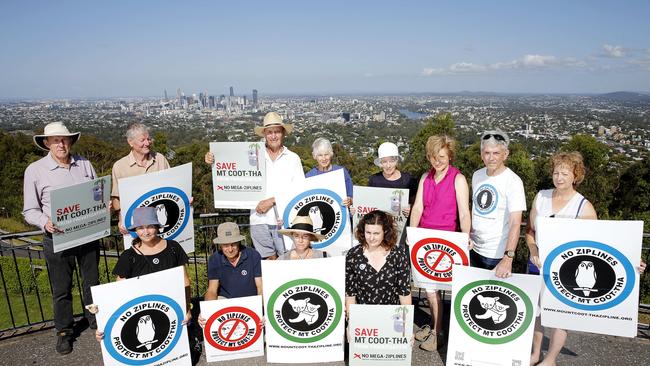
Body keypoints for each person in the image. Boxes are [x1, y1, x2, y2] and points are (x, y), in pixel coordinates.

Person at [23, 122, 101, 355]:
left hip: (87, 235)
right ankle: (64, 332)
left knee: (92, 283)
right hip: (56, 239)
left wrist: (102, 203)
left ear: (71, 141)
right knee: (61, 289)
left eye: (64, 139)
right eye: (55, 140)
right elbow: (29, 210)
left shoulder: (85, 164)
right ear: (46, 143)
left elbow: (96, 192)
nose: (61, 143)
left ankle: (95, 320)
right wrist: (44, 222)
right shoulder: (35, 170)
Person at [526, 152, 596, 366]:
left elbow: (601, 243)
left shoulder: (583, 207)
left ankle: (551, 359)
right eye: (556, 172)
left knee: (561, 315)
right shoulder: (542, 197)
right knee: (535, 312)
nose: (559, 177)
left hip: (566, 271)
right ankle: (535, 353)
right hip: (537, 265)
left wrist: (633, 262)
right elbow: (530, 231)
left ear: (576, 176)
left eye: (565, 173)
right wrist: (533, 251)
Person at [206, 112, 305, 259]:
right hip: (258, 219)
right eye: (269, 132)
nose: (273, 136)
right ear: (264, 134)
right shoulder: (251, 155)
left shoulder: (293, 159)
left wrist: (271, 201)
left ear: (283, 133)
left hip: (284, 220)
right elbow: (229, 166)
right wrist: (213, 159)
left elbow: (299, 190)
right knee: (268, 263)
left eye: (277, 131)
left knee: (289, 261)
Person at [410, 134, 471, 351]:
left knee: (437, 290)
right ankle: (435, 327)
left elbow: (464, 212)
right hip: (423, 240)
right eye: (434, 157)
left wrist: (466, 237)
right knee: (428, 290)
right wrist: (412, 233)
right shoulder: (425, 178)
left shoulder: (459, 179)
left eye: (442, 157)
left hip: (446, 243)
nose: (438, 161)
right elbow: (418, 207)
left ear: (450, 156)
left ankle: (438, 333)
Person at [94, 207, 192, 340]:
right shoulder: (128, 256)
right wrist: (105, 325)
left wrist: (187, 309)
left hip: (173, 311)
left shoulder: (174, 248)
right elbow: (118, 291)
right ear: (135, 230)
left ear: (157, 227)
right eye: (140, 228)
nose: (145, 232)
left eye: (150, 226)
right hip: (143, 314)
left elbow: (185, 282)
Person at [470, 130, 526, 278]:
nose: (491, 158)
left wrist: (508, 258)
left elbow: (515, 223)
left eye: (496, 153)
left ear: (505, 154)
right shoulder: (477, 175)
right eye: (487, 153)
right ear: (482, 155)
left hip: (496, 254)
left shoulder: (513, 181)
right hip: (473, 249)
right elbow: (474, 209)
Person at [198, 222, 263, 329]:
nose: (230, 249)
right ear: (220, 245)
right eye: (225, 245)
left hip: (251, 301)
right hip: (226, 301)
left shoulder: (253, 255)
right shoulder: (215, 259)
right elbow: (212, 290)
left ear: (239, 242)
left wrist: (260, 309)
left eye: (233, 244)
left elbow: (260, 287)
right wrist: (206, 310)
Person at [111, 122, 170, 234]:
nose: (147, 143)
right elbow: (116, 198)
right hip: (136, 225)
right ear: (130, 142)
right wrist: (121, 219)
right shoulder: (119, 166)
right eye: (142, 140)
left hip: (160, 221)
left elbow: (173, 187)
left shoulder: (160, 159)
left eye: (148, 139)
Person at [345, 210, 411, 309]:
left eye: (376, 233)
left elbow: (404, 292)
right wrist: (351, 319)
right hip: (362, 317)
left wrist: (406, 321)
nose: (371, 238)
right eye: (368, 232)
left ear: (385, 232)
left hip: (391, 317)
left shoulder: (398, 255)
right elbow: (350, 294)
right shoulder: (353, 255)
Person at [368, 142, 417, 216]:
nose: (388, 165)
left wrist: (411, 207)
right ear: (380, 163)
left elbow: (416, 202)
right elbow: (368, 202)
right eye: (384, 162)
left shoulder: (408, 180)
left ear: (397, 161)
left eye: (391, 161)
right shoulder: (374, 180)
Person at [306, 137, 352, 207]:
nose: (324, 158)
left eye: (326, 154)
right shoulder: (309, 176)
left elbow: (351, 196)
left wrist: (349, 200)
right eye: (320, 155)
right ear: (314, 156)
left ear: (331, 154)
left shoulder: (341, 172)